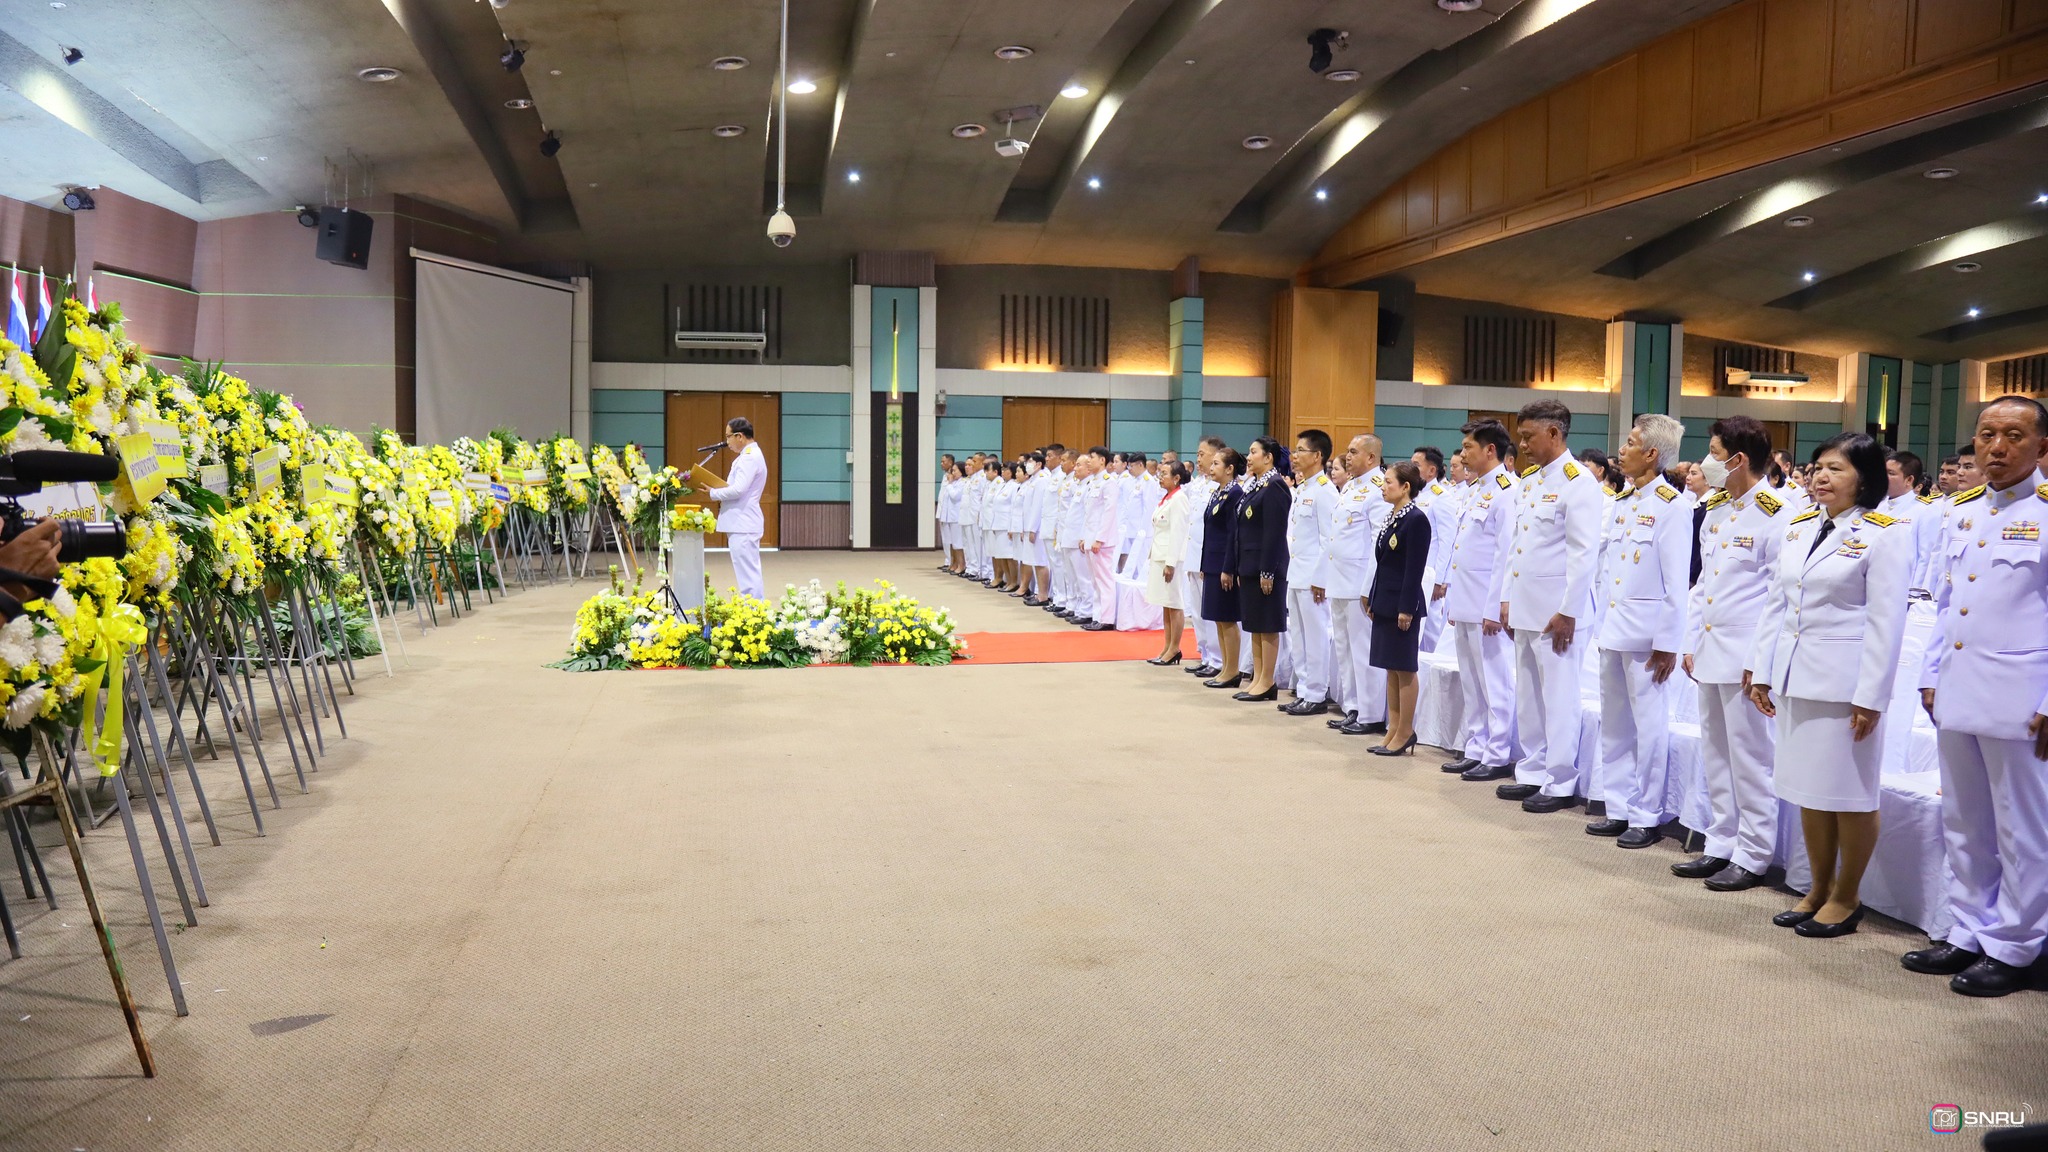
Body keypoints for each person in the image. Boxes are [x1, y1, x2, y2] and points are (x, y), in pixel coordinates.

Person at [1908, 395, 2048, 997]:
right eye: (1988, 434)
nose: (1997, 447)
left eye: (2013, 436)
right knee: (1965, 820)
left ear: (2042, 446)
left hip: (2021, 697)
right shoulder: (1963, 511)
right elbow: (1948, 602)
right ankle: (1968, 929)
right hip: (1958, 689)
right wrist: (1930, 672)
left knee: (2022, 828)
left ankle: (2016, 944)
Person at [1746, 432, 1911, 937]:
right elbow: (1777, 605)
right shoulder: (1799, 527)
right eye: (1818, 467)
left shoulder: (1884, 533)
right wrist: (1762, 671)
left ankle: (1847, 895)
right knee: (1810, 791)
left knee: (1850, 795)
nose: (1821, 476)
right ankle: (1818, 888)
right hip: (1796, 678)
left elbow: (1886, 622)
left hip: (1845, 687)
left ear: (1865, 478)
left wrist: (1871, 697)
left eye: (1836, 468)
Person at [1675, 416, 1791, 892]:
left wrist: (1760, 662)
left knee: (1750, 758)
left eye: (1715, 452)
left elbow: (1780, 596)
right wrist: (1689, 641)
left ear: (1738, 460)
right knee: (1716, 753)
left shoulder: (1778, 512)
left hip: (1746, 655)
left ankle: (1754, 853)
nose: (1707, 460)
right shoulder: (1718, 507)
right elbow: (1705, 581)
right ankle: (1721, 841)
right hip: (1710, 648)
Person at [1585, 414, 1692, 849]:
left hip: (1647, 638)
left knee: (1649, 728)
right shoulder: (1625, 501)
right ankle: (1618, 806)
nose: (1621, 449)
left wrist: (1667, 644)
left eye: (1630, 443)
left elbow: (1675, 584)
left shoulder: (1672, 506)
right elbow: (1609, 572)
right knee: (1614, 723)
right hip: (1614, 629)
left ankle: (1646, 814)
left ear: (1651, 453)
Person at [1496, 400, 1604, 814]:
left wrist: (1569, 611)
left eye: (1528, 436)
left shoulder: (1579, 482)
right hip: (1527, 606)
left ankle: (1559, 781)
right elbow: (1517, 546)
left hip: (1558, 612)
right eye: (1520, 436)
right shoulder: (1530, 481)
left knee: (1559, 698)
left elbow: (1583, 554)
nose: (1522, 444)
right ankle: (1534, 769)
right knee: (1529, 696)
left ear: (1554, 433)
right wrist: (1507, 597)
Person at [1443, 420, 1521, 781]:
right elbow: (1462, 549)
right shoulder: (1474, 490)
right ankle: (1476, 746)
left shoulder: (1507, 491)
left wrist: (1495, 608)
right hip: (1466, 599)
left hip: (1486, 605)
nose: (1462, 454)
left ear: (1490, 450)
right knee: (1472, 682)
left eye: (1468, 447)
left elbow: (1506, 555)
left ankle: (1497, 752)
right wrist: (1453, 600)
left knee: (1494, 681)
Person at [1366, 461, 1432, 756]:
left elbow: (1413, 569)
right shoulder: (1392, 516)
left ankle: (1406, 730)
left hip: (1403, 605)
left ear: (1406, 487)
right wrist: (1374, 597)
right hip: (1385, 601)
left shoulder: (1416, 520)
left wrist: (1406, 607)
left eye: (1388, 482)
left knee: (1404, 668)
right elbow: (1382, 564)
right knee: (1390, 667)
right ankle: (1393, 727)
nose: (1383, 487)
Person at [1326, 434, 1389, 736]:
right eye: (1348, 452)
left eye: (1353, 452)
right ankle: (1352, 707)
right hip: (1339, 579)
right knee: (1344, 649)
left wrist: (1369, 587)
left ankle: (1371, 713)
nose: (1347, 457)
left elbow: (1379, 542)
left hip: (1358, 583)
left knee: (1362, 650)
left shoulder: (1378, 490)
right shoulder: (1351, 487)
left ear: (1371, 458)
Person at [1281, 430, 1338, 717]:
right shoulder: (1304, 488)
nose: (1294, 455)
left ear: (1317, 456)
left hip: (1313, 578)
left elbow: (1329, 539)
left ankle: (1316, 693)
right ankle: (1304, 689)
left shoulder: (1325, 491)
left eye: (1301, 450)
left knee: (1315, 637)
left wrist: (1321, 578)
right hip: (1297, 573)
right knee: (1299, 635)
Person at [1234, 436, 1291, 701]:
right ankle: (1258, 677)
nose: (1248, 457)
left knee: (1267, 624)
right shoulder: (1256, 485)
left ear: (1268, 457)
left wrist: (1268, 570)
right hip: (1250, 564)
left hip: (1266, 567)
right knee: (1255, 624)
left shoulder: (1275, 485)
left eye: (1253, 452)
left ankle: (1268, 680)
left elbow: (1274, 532)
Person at [1198, 448, 1248, 690]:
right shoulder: (1218, 492)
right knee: (1218, 618)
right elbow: (1209, 531)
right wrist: (1204, 564)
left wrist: (1228, 568)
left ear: (1230, 469)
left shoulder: (1235, 493)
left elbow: (1233, 535)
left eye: (1216, 464)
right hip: (1212, 562)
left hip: (1224, 565)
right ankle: (1225, 667)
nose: (1211, 467)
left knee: (1227, 618)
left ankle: (1232, 670)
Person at [708, 417, 769, 599]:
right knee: (748, 573)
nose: (727, 442)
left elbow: (739, 490)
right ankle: (753, 610)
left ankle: (753, 611)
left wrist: (713, 493)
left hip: (743, 522)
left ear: (740, 436)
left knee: (748, 576)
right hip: (743, 522)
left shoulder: (749, 458)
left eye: (728, 437)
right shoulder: (750, 455)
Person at [1181, 438, 1225, 678]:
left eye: (1202, 454)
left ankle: (1217, 659)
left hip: (1208, 558)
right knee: (1197, 612)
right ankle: (1205, 654)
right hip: (1193, 554)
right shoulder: (1198, 484)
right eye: (1197, 455)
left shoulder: (1222, 486)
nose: (1198, 459)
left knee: (1210, 612)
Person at [1144, 462, 1194, 665]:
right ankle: (1167, 646)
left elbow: (1178, 533)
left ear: (1176, 478)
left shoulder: (1179, 499)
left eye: (1164, 473)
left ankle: (1175, 648)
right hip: (1160, 555)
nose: (1160, 477)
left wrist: (1171, 563)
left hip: (1170, 558)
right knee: (1166, 604)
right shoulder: (1167, 498)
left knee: (1174, 603)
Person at [1081, 447, 1122, 631]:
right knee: (1095, 580)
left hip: (1102, 540)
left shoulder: (1109, 482)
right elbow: (1089, 514)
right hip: (1091, 538)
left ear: (1102, 460)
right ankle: (1097, 616)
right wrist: (1085, 537)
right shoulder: (1093, 482)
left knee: (1104, 580)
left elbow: (1109, 512)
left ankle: (1106, 619)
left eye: (1092, 458)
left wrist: (1100, 538)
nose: (1089, 461)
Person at [1056, 449, 1095, 626]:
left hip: (1078, 538)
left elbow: (1088, 516)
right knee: (1070, 576)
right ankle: (1074, 606)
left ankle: (1086, 610)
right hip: (1068, 536)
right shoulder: (1078, 485)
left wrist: (1084, 537)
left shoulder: (1089, 486)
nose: (1076, 468)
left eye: (1079, 465)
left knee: (1082, 577)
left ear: (1089, 468)